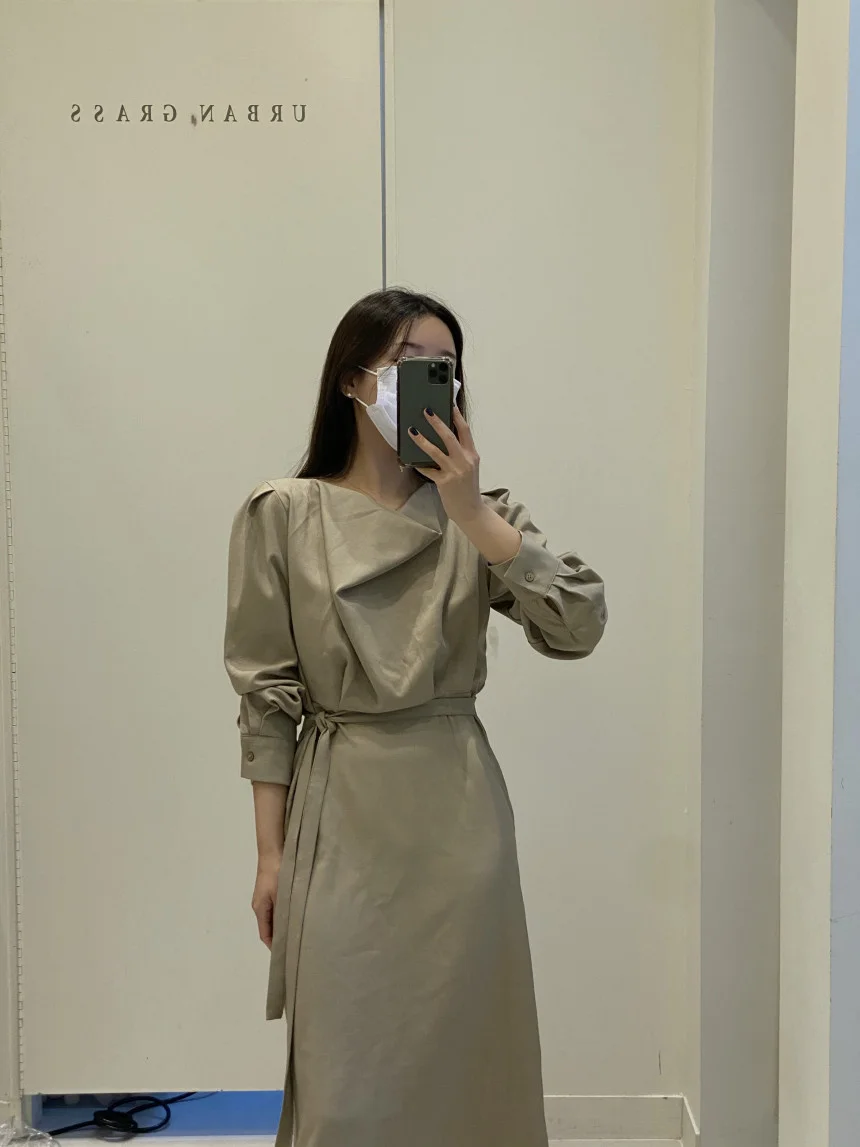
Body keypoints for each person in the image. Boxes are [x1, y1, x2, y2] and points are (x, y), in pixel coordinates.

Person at [223, 288, 607, 1147]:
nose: (432, 381)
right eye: (407, 365)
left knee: (468, 1064)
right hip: (341, 814)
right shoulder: (283, 513)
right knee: (347, 1069)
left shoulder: (484, 515)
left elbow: (580, 624)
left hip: (457, 818)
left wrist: (472, 514)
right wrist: (269, 854)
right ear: (352, 380)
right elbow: (266, 695)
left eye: (445, 368)